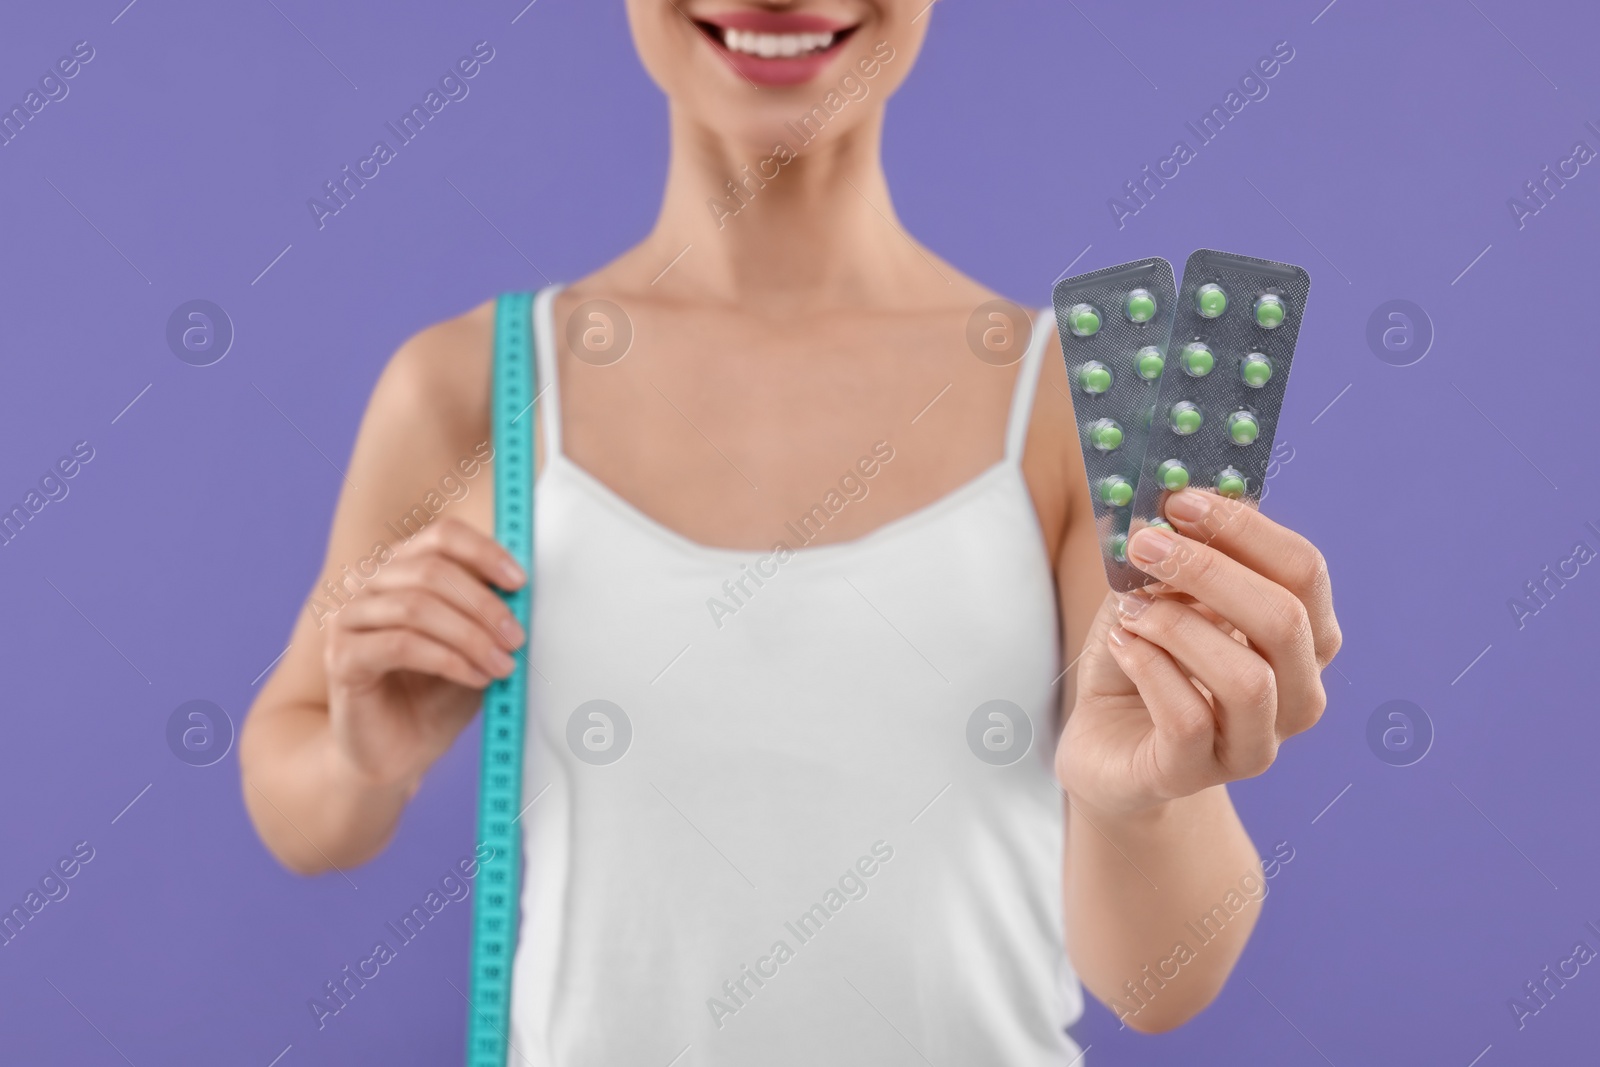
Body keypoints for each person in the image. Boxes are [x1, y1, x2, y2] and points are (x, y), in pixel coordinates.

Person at [240, 2, 1341, 1062]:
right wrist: (357, 756)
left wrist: (1136, 800)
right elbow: (301, 806)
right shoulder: (474, 389)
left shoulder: (1057, 399)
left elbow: (1157, 978)